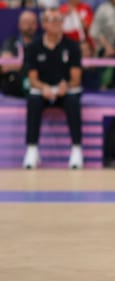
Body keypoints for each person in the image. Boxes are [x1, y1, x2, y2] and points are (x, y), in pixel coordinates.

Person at [21, 9, 84, 170]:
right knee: (33, 101)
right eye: (52, 20)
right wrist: (44, 88)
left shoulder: (72, 46)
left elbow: (76, 78)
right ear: (44, 24)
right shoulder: (34, 47)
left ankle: (76, 149)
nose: (57, 23)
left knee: (73, 101)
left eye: (59, 20)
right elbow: (32, 79)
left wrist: (66, 86)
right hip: (43, 90)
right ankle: (32, 149)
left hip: (65, 90)